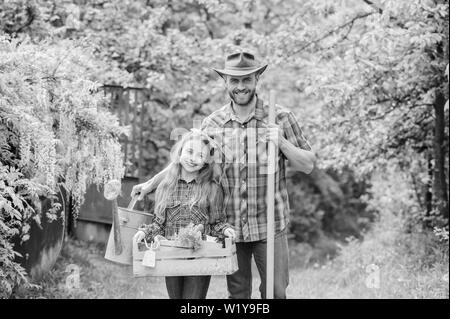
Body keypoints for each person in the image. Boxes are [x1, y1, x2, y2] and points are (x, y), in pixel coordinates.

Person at [132, 51, 316, 299]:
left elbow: (308, 164)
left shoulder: (280, 117)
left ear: (257, 80)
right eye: (234, 81)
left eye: (246, 80)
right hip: (230, 226)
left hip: (270, 222)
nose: (241, 87)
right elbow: (185, 162)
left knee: (275, 292)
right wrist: (150, 184)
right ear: (226, 82)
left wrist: (282, 142)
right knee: (238, 294)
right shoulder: (213, 123)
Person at [133, 129, 235, 299]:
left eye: (200, 155)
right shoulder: (166, 186)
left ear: (206, 162)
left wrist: (225, 230)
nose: (193, 158)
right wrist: (145, 231)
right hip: (171, 255)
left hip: (199, 256)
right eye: (189, 151)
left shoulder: (211, 189)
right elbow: (159, 223)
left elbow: (216, 222)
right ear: (180, 152)